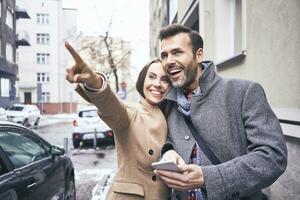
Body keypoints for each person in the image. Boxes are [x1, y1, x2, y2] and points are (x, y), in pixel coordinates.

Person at [154, 24, 288, 200]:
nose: (169, 61)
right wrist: (168, 151)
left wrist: (208, 178)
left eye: (177, 52)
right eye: (164, 55)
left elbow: (272, 156)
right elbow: (169, 139)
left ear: (199, 55)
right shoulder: (167, 103)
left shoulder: (244, 92)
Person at [64, 42, 171, 199]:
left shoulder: (169, 114)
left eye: (165, 80)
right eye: (152, 77)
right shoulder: (131, 112)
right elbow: (111, 106)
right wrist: (94, 81)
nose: (157, 84)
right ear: (143, 80)